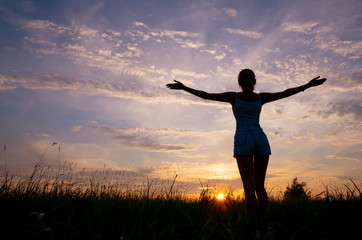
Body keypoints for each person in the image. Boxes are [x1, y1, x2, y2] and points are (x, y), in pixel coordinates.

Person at [166, 69, 326, 237]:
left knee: (249, 187)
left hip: (243, 139)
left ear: (239, 83)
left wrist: (184, 87)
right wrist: (308, 85)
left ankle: (255, 228)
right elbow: (286, 93)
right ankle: (267, 227)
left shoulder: (233, 97)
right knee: (260, 188)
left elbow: (206, 95)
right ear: (254, 81)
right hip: (260, 138)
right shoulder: (260, 98)